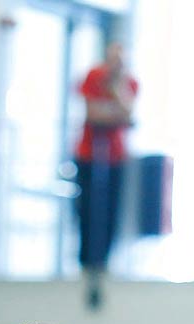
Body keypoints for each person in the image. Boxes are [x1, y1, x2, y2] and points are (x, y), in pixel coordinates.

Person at [73, 44, 137, 275]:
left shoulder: (129, 83)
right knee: (88, 209)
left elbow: (128, 113)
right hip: (89, 154)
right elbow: (92, 114)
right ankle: (86, 261)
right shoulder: (93, 76)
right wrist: (115, 115)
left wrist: (116, 91)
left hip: (116, 157)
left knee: (112, 210)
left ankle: (105, 262)